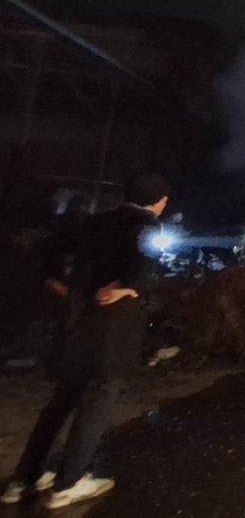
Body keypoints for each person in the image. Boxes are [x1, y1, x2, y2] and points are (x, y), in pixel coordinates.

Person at [3, 174, 169, 511]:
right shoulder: (148, 225)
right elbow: (144, 263)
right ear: (159, 201)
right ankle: (70, 482)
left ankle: (24, 479)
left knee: (62, 399)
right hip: (112, 329)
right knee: (98, 397)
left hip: (76, 325)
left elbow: (46, 246)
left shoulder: (95, 222)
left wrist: (56, 282)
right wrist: (124, 285)